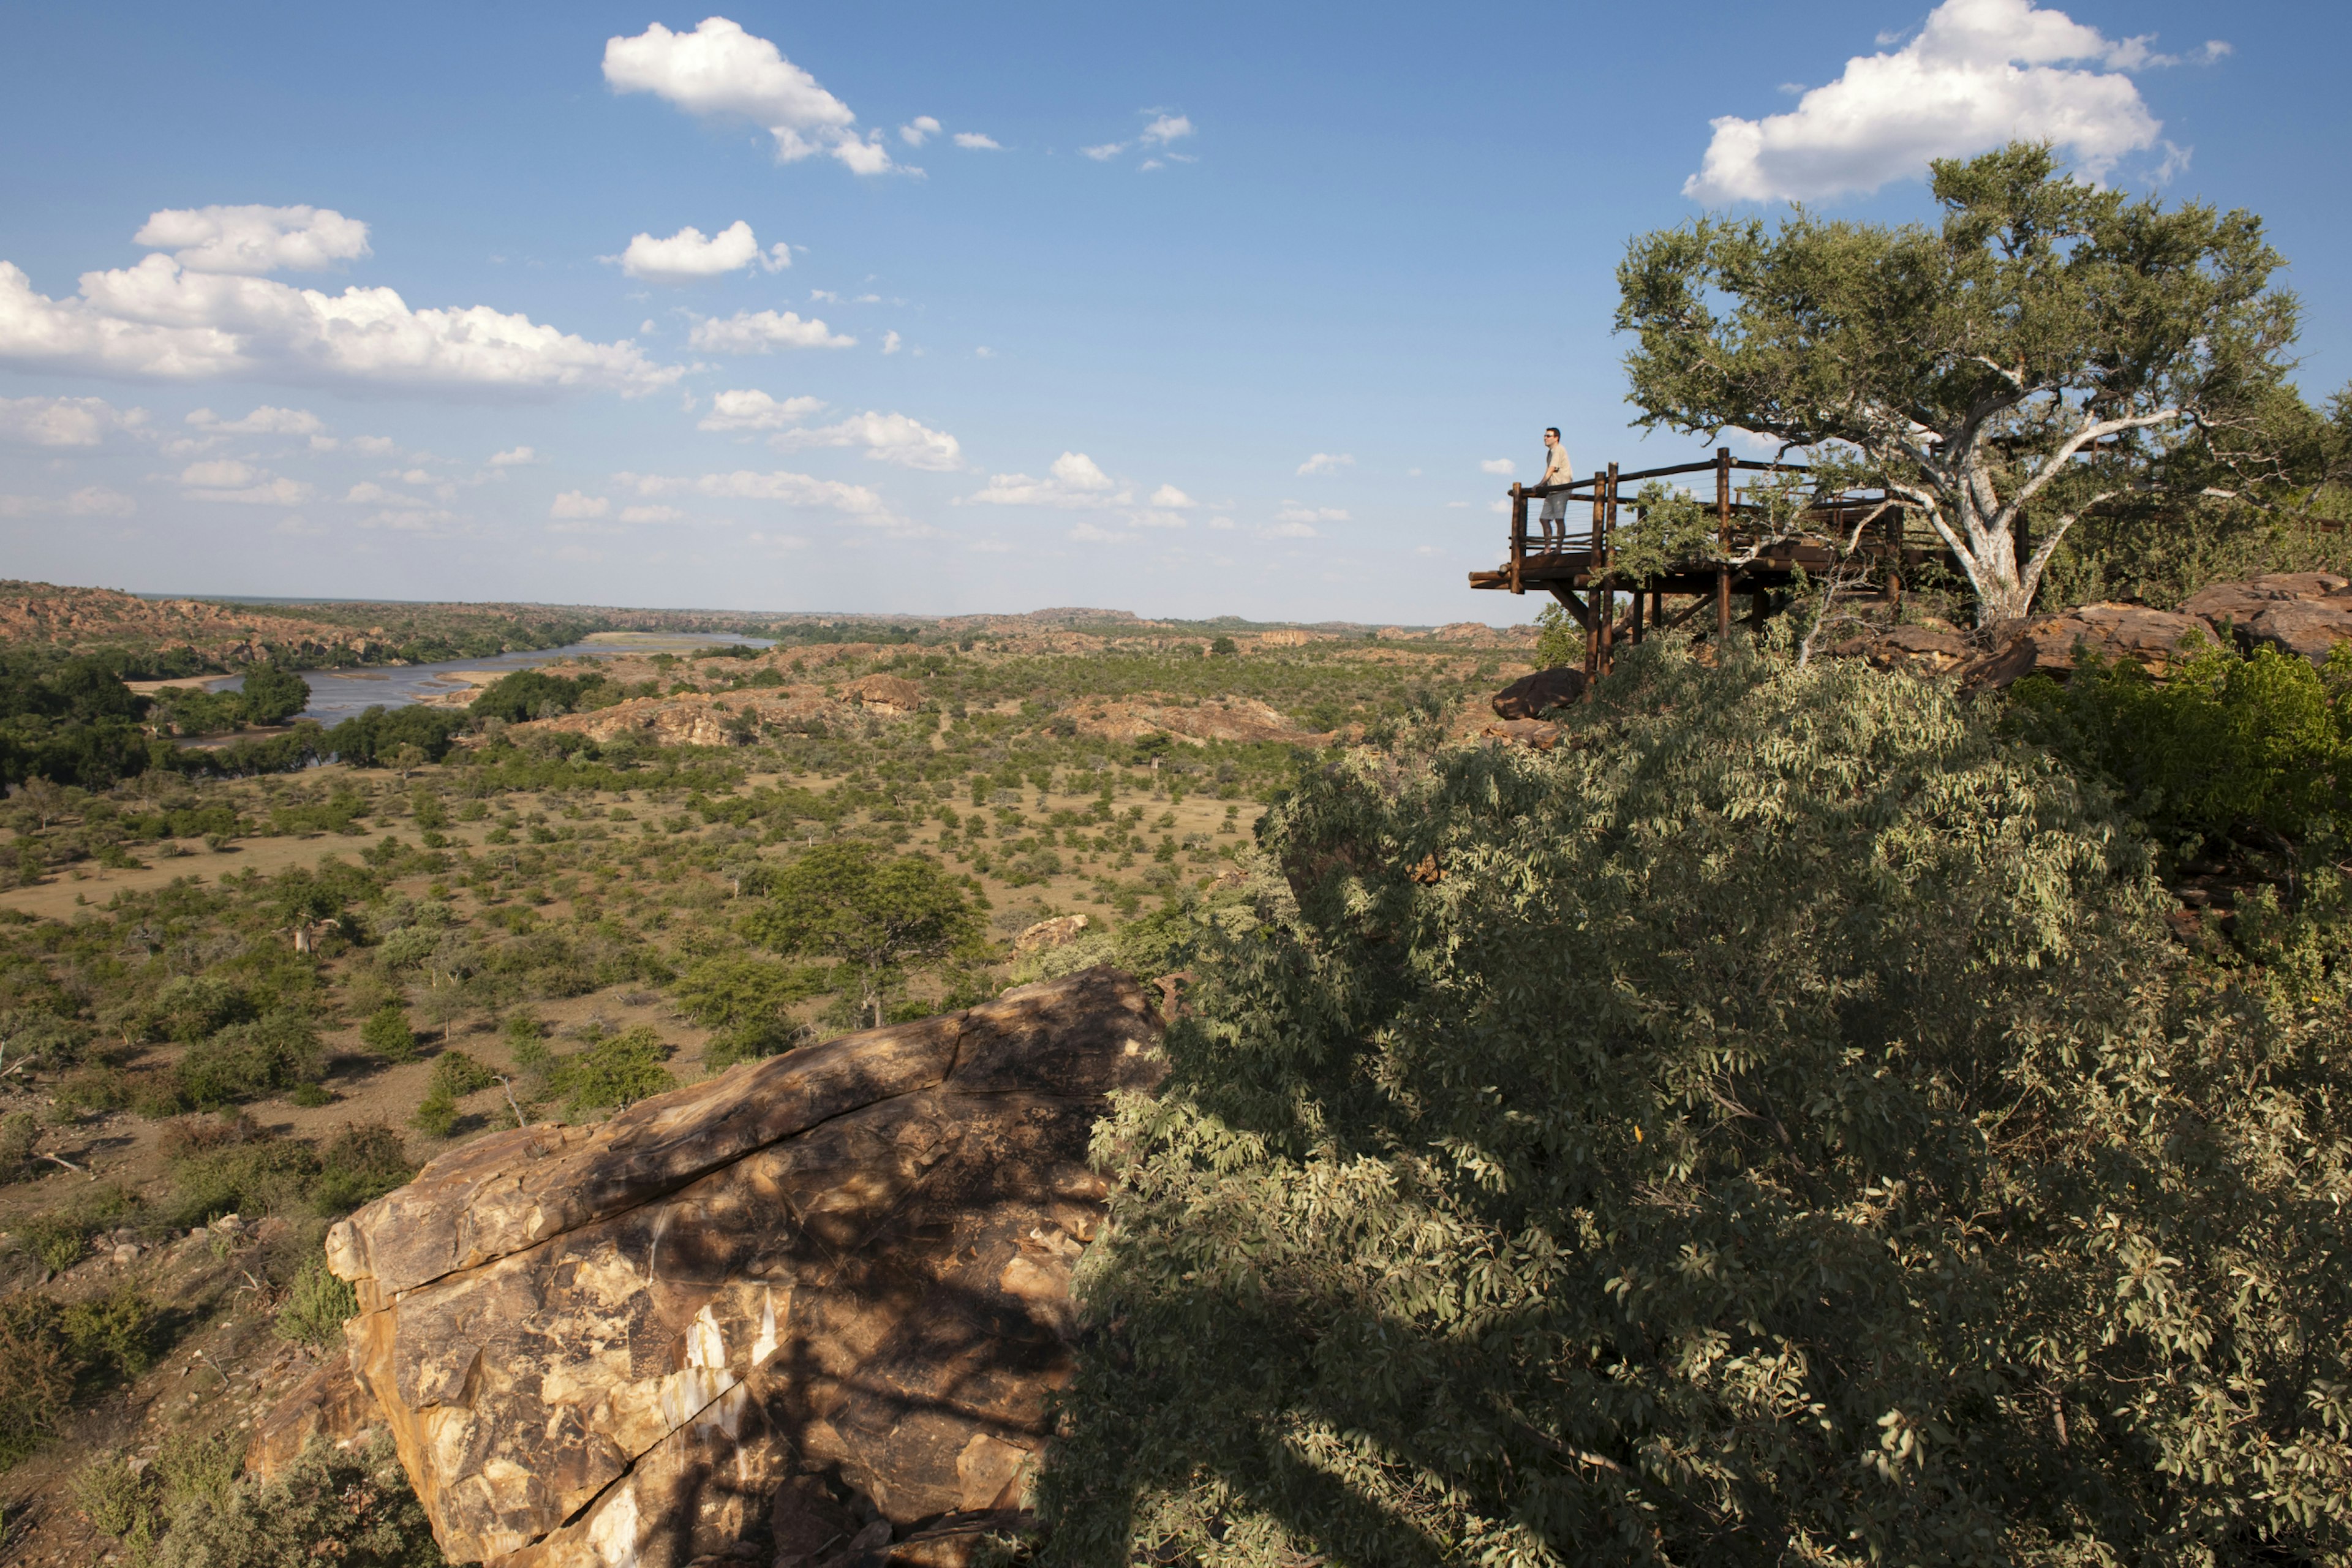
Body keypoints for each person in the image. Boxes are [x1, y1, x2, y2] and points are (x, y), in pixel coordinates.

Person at [1537, 426, 1574, 545]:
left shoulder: (1558, 450)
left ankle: (1558, 548)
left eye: (1548, 436)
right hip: (1552, 490)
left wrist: (1541, 484)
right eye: (1545, 436)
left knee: (1559, 519)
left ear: (1556, 438)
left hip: (1561, 488)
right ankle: (1547, 548)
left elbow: (1552, 469)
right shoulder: (1551, 452)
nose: (1545, 438)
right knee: (1544, 519)